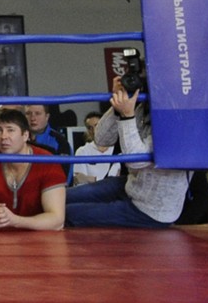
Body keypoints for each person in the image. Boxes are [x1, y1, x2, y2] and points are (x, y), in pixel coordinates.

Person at [64, 83, 190, 229]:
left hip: (151, 209)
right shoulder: (143, 107)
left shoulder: (176, 117)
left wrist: (127, 117)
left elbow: (135, 161)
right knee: (61, 197)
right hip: (132, 185)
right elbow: (101, 139)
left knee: (66, 213)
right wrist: (118, 105)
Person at [0, 109, 66, 231]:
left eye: (10, 130)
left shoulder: (47, 161)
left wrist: (16, 221)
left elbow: (57, 220)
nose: (3, 136)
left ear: (25, 135)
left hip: (39, 239)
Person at [71, 112, 119, 186]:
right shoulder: (82, 151)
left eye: (97, 125)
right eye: (90, 128)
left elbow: (117, 182)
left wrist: (90, 179)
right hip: (90, 193)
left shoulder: (118, 150)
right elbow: (80, 183)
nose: (94, 131)